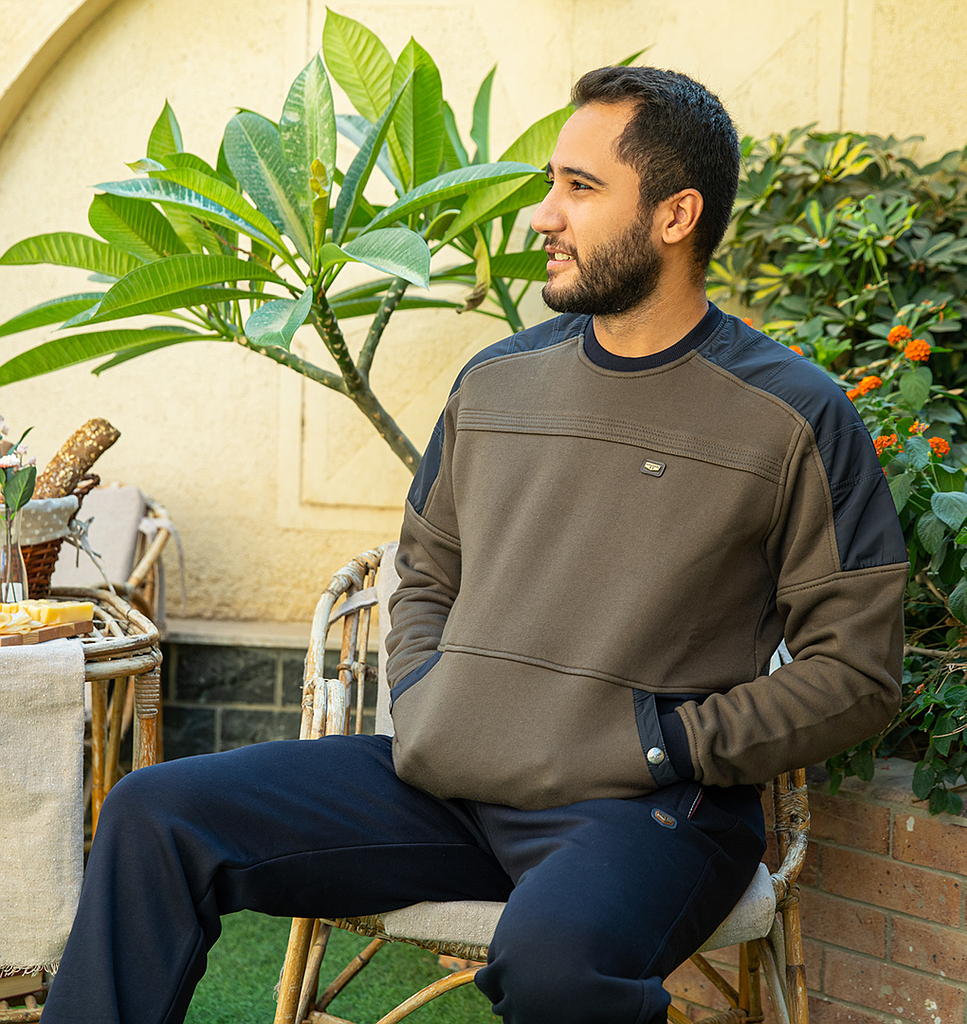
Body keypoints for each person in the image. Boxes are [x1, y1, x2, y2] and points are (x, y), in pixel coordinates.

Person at [41, 66, 908, 1024]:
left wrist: (670, 743)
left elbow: (856, 672)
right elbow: (426, 572)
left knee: (555, 964)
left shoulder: (793, 415)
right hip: (444, 784)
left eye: (580, 187)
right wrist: (426, 698)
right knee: (155, 813)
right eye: (551, 183)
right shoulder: (494, 384)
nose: (545, 215)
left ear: (676, 215)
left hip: (647, 809)